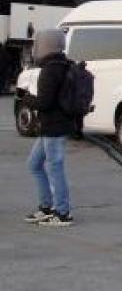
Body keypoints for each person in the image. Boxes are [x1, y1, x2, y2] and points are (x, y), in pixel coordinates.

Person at [24, 30, 75, 227]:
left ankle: (62, 212)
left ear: (45, 45)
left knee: (55, 168)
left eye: (37, 43)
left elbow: (44, 103)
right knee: (34, 164)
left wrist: (26, 97)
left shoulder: (51, 69)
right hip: (52, 126)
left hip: (54, 127)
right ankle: (46, 207)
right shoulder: (62, 65)